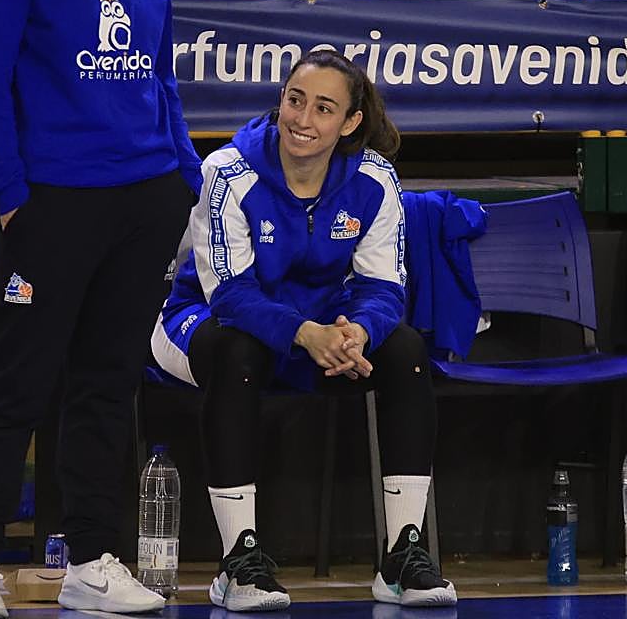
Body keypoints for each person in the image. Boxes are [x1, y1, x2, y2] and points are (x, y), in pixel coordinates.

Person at [0, 0, 201, 618]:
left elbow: (159, 71)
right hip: (51, 202)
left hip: (144, 197)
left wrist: (183, 173)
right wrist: (7, 192)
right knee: (14, 381)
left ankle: (93, 559)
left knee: (106, 384)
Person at [152, 49, 458, 611]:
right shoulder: (229, 171)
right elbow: (231, 296)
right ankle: (238, 563)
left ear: (350, 122)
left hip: (318, 330)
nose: (303, 119)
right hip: (202, 321)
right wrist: (306, 334)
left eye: (323, 108)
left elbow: (384, 288)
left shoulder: (373, 178)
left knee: (406, 351)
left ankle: (402, 556)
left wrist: (357, 333)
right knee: (238, 352)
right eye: (295, 100)